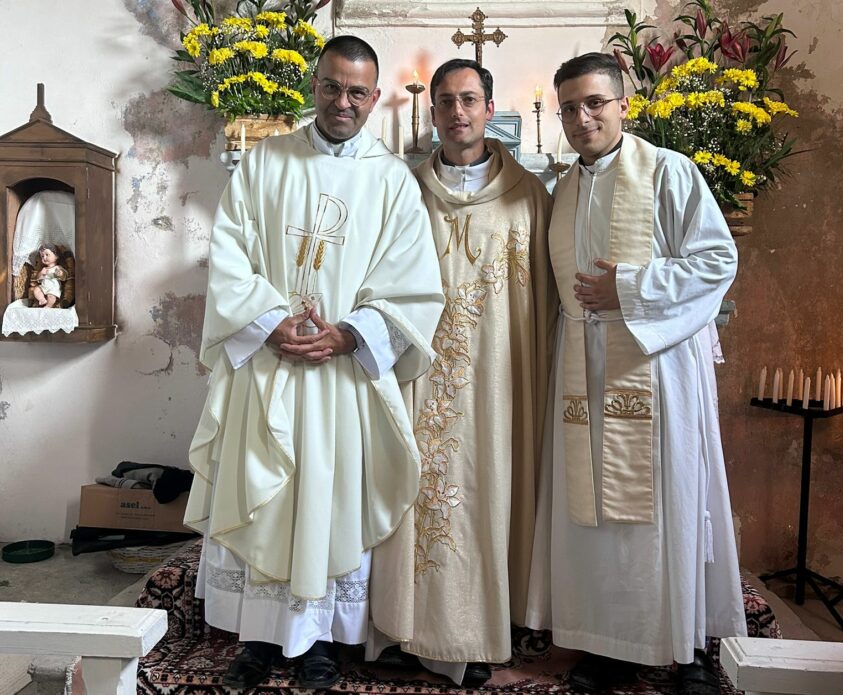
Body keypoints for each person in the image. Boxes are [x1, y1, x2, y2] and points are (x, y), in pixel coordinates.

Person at [183, 35, 445, 690]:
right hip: (269, 368)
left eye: (357, 91)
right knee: (263, 496)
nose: (343, 102)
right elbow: (230, 256)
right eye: (332, 86)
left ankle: (318, 640)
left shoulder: (391, 181)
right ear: (315, 86)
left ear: (375, 97)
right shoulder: (267, 162)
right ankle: (258, 639)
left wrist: (350, 334)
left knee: (330, 504)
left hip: (339, 376)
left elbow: (414, 282)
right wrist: (271, 323)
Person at [525, 53, 746, 695]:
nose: (581, 117)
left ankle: (688, 648)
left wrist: (628, 287)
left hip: (655, 367)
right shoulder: (563, 188)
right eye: (569, 107)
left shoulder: (668, 172)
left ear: (623, 105)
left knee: (670, 504)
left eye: (594, 102)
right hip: (581, 372)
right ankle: (607, 643)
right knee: (591, 514)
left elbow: (715, 260)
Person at [370, 58, 557, 687]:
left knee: (489, 490)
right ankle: (405, 627)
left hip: (502, 381)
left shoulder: (530, 195)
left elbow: (547, 302)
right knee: (413, 488)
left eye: (469, 100)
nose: (457, 112)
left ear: (489, 106)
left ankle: (482, 628)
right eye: (446, 101)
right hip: (419, 376)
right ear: (433, 112)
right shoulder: (404, 190)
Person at [32, 243, 66, 307]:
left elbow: (64, 276)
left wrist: (60, 273)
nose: (44, 257)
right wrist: (41, 273)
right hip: (43, 287)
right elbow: (38, 279)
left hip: (53, 288)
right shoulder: (44, 269)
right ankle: (42, 299)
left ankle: (48, 306)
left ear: (56, 256)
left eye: (47, 255)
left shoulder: (57, 268)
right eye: (42, 256)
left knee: (51, 297)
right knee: (36, 290)